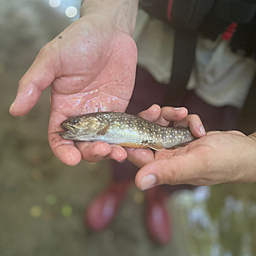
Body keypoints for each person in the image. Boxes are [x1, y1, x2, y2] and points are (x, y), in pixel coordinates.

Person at [9, 0, 256, 244]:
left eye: (75, 125)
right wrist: (106, 16)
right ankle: (117, 186)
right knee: (125, 145)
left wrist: (249, 155)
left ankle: (160, 194)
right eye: (75, 124)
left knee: (195, 157)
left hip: (235, 75)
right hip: (153, 44)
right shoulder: (107, 105)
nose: (70, 127)